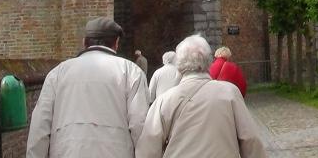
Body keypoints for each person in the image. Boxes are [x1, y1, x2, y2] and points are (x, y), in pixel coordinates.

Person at [27, 17, 150, 158]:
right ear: (116, 43)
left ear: (84, 42)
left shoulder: (58, 73)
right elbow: (139, 124)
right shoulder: (131, 72)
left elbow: (40, 126)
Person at [136, 35, 266, 158]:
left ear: (179, 65)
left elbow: (147, 150)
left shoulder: (164, 101)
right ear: (209, 61)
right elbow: (251, 140)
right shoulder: (230, 93)